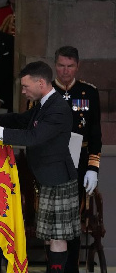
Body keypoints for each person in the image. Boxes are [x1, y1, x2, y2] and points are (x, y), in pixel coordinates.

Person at [0, 61, 80, 273]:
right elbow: (20, 120)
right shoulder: (43, 104)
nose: (23, 91)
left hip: (58, 179)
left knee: (57, 236)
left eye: (25, 86)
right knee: (50, 236)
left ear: (41, 82)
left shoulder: (57, 108)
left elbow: (34, 137)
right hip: (47, 177)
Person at [52, 46, 101, 273]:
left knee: (73, 219)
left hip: (79, 161)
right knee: (53, 221)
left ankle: (71, 269)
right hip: (51, 162)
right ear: (55, 65)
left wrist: (93, 167)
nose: (65, 71)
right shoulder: (45, 90)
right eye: (61, 65)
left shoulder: (89, 93)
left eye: (70, 66)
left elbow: (95, 135)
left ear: (77, 66)